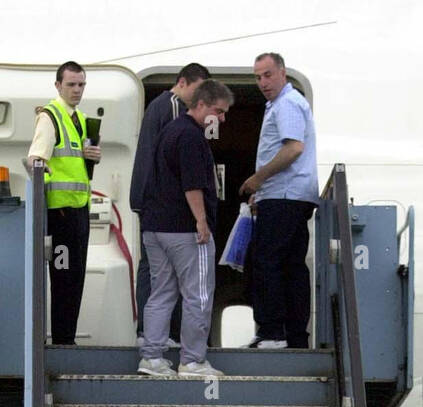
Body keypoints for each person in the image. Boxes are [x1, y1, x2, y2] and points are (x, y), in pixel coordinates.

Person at [138, 80, 234, 380]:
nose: (221, 119)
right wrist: (202, 222)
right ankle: (192, 360)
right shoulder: (192, 137)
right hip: (184, 230)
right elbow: (192, 185)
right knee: (199, 295)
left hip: (155, 228)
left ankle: (152, 357)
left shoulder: (169, 130)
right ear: (201, 105)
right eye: (218, 111)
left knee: (161, 292)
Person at [239, 52, 319, 349]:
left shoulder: (286, 104)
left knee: (266, 260)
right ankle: (296, 336)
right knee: (292, 266)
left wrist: (258, 180)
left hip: (283, 194)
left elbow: (293, 149)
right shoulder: (287, 103)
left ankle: (273, 332)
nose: (262, 82)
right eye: (258, 77)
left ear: (282, 72)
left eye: (267, 75)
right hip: (294, 195)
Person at [130, 63, 211, 341]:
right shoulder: (176, 110)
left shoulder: (156, 106)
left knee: (150, 268)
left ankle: (147, 332)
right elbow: (177, 160)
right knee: (170, 275)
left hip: (145, 198)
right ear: (183, 83)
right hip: (162, 204)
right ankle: (166, 333)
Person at [26, 61, 102, 345]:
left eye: (81, 84)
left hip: (78, 210)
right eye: (71, 84)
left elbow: (73, 161)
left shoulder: (80, 119)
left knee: (74, 280)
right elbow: (36, 159)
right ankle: (62, 341)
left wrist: (92, 156)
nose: (77, 90)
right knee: (63, 280)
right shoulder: (50, 116)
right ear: (58, 85)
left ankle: (66, 338)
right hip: (60, 214)